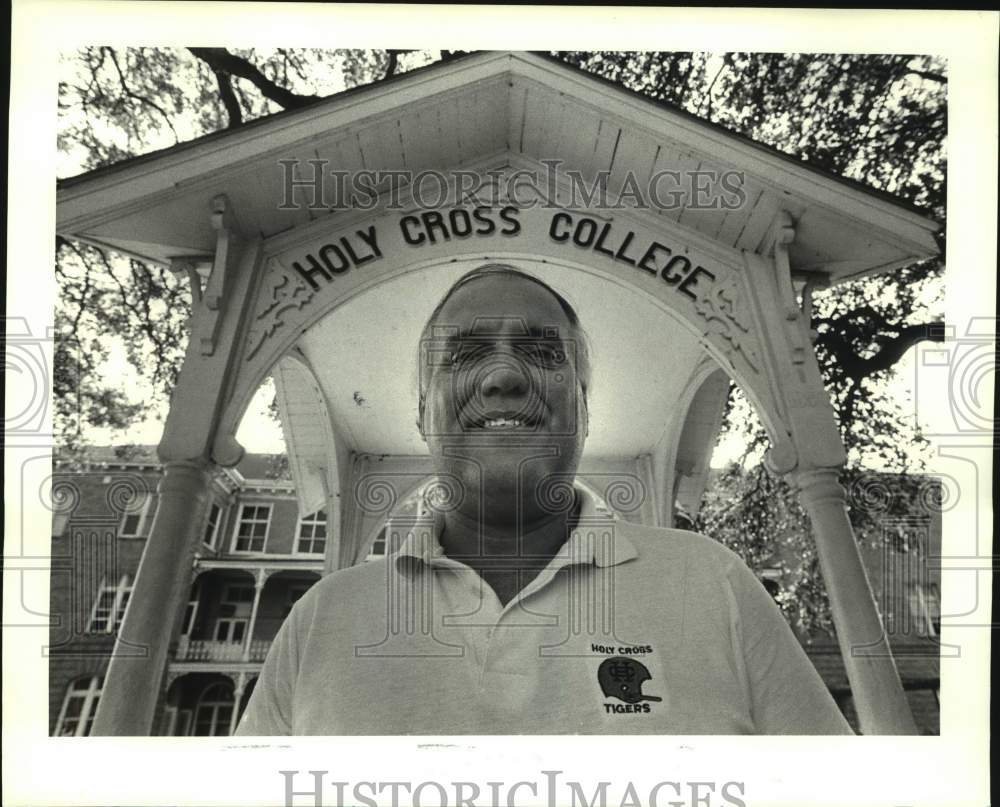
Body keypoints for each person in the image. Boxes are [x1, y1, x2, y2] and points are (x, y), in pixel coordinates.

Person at [237, 263, 852, 735]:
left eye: (542, 353)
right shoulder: (321, 621)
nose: (503, 377)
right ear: (424, 413)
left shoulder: (712, 584)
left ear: (584, 409)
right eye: (467, 354)